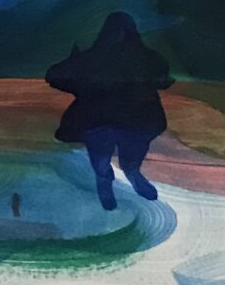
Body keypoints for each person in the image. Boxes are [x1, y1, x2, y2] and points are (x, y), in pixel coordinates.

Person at [45, 12, 173, 212]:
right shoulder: (149, 57)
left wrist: (77, 76)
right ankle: (127, 177)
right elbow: (164, 80)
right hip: (132, 120)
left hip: (104, 120)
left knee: (103, 160)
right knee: (124, 159)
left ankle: (113, 182)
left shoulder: (91, 57)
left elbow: (54, 76)